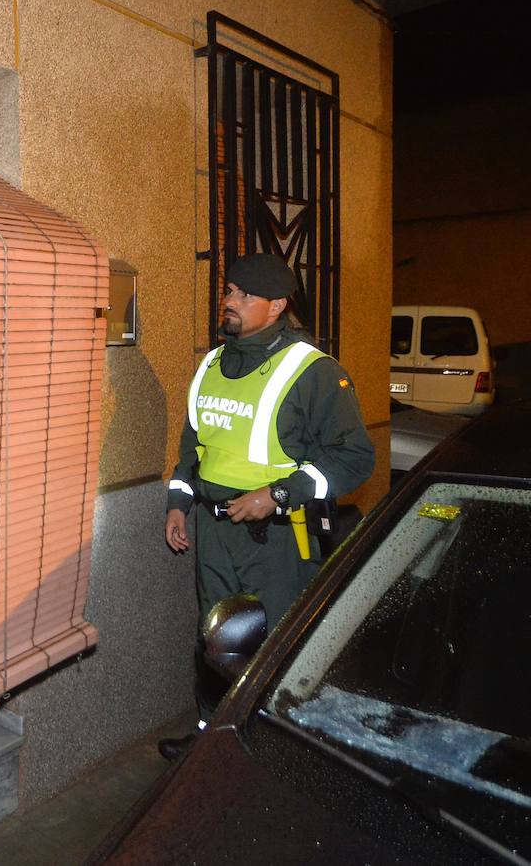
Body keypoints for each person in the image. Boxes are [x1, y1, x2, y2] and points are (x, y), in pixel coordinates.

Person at [158, 252, 375, 760]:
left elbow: (354, 458)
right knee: (216, 639)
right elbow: (195, 448)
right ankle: (213, 743)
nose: (229, 301)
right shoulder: (212, 364)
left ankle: (274, 750)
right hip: (213, 534)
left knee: (276, 642)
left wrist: (278, 494)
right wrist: (177, 502)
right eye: (229, 290)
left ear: (277, 305)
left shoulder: (314, 372)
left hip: (278, 537)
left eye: (243, 294)